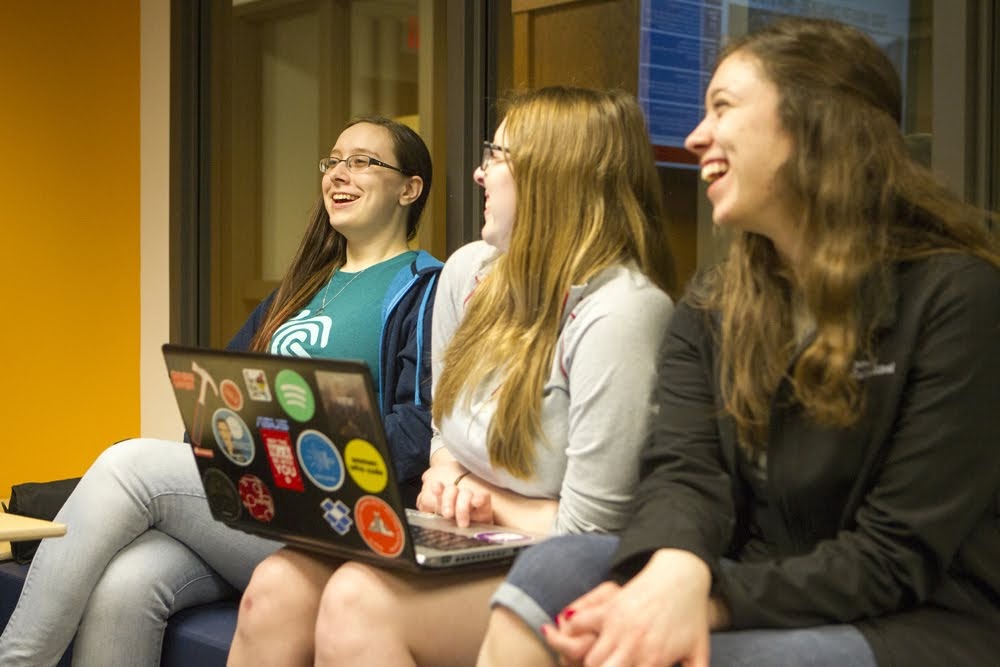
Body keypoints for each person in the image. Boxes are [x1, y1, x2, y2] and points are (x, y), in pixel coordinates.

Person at [480, 17, 1000, 667]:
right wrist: (675, 567)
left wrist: (708, 596)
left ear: (818, 121)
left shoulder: (957, 297)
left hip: (915, 620)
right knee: (555, 569)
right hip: (755, 574)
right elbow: (682, 474)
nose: (696, 138)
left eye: (722, 107)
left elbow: (895, 555)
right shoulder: (711, 306)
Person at [225, 86, 678, 666]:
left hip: (565, 560)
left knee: (356, 599)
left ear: (555, 176)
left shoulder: (621, 312)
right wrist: (444, 472)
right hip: (465, 537)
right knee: (277, 585)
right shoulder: (467, 274)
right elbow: (443, 431)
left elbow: (591, 526)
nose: (479, 173)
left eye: (498, 157)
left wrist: (483, 498)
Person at [0, 115, 443, 666]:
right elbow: (212, 403)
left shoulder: (426, 287)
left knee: (128, 463)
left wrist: (314, 446)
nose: (337, 174)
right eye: (332, 161)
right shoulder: (300, 288)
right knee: (126, 584)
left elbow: (422, 423)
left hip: (334, 512)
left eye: (361, 161)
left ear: (410, 188)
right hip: (255, 495)